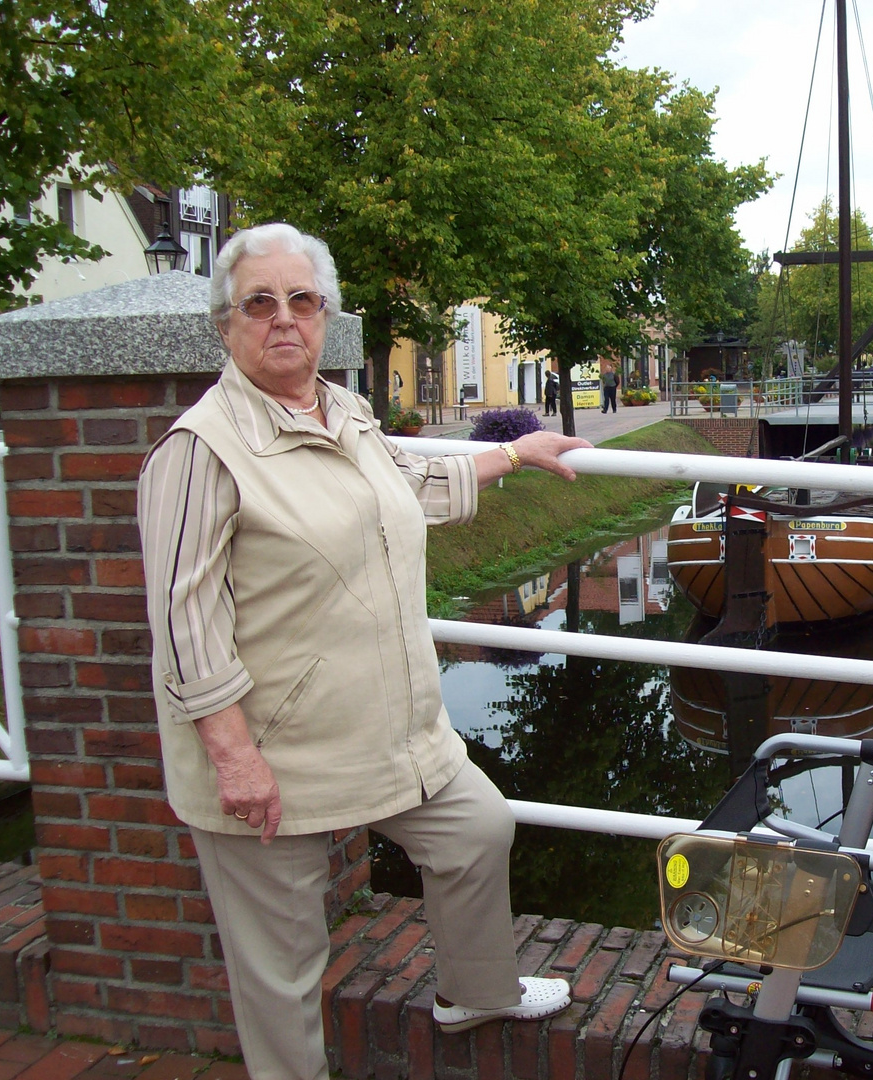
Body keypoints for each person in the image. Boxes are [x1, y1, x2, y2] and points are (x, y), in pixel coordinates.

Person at [137, 223, 592, 1080]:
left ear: (325, 316)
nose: (283, 320)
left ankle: (476, 993)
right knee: (283, 963)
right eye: (258, 303)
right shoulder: (199, 452)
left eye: (301, 301)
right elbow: (181, 620)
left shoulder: (341, 410)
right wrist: (233, 757)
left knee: (476, 830)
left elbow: (402, 489)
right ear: (225, 325)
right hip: (273, 749)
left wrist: (511, 455)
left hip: (389, 727)